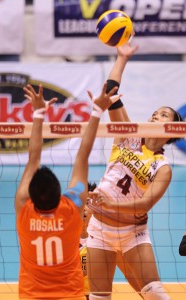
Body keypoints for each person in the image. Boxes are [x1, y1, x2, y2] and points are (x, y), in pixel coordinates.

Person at [86, 42, 184, 300]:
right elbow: (111, 92)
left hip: (133, 233)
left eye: (163, 115)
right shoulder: (127, 135)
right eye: (154, 113)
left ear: (173, 130)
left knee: (155, 295)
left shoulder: (163, 168)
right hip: (99, 228)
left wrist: (109, 203)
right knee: (99, 297)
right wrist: (122, 58)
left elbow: (143, 204)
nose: (155, 116)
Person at [15, 82, 120, 299]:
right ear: (60, 192)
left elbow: (33, 157)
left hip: (31, 296)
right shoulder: (72, 208)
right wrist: (97, 110)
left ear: (31, 197)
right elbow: (83, 154)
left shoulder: (24, 209)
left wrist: (39, 112)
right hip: (70, 295)